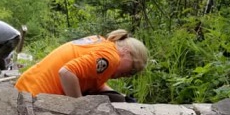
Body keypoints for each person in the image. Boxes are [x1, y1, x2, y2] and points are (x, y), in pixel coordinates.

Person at [14, 30, 148, 99]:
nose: (128, 75)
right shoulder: (111, 58)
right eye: (133, 69)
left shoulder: (102, 43)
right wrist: (79, 105)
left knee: (116, 99)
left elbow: (92, 78)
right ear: (126, 51)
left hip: (25, 87)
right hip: (34, 98)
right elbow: (66, 73)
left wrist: (117, 94)